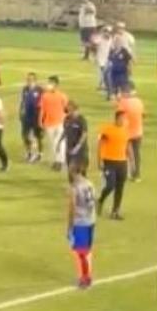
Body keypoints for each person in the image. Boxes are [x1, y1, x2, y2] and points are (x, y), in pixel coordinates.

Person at [68, 160, 98, 289]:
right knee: (86, 250)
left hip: (81, 223)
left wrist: (70, 226)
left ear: (74, 172)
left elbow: (72, 208)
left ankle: (86, 278)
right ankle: (87, 275)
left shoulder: (75, 187)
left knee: (82, 253)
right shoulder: (90, 184)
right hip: (91, 220)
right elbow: (95, 201)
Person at [96, 110, 130, 219]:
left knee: (120, 187)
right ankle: (100, 200)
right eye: (121, 118)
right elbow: (100, 145)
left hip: (122, 162)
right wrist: (99, 160)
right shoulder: (107, 129)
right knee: (110, 185)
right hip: (109, 162)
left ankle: (115, 211)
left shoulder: (126, 130)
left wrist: (131, 162)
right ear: (116, 118)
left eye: (124, 119)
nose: (123, 120)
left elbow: (128, 145)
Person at [38, 75, 68, 171]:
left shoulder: (62, 96)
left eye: (50, 83)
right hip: (48, 123)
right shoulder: (45, 96)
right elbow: (42, 109)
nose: (48, 85)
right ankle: (57, 160)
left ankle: (60, 161)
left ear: (56, 84)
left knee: (60, 142)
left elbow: (67, 109)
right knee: (53, 143)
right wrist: (40, 121)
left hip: (60, 122)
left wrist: (67, 121)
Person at [116, 84, 146, 180]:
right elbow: (143, 115)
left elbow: (119, 117)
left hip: (126, 133)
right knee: (136, 154)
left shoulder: (123, 102)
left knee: (124, 154)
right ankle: (136, 175)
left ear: (125, 92)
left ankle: (124, 173)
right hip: (138, 132)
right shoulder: (139, 101)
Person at [20, 73, 44, 163]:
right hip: (26, 117)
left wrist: (42, 118)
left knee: (38, 137)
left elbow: (43, 104)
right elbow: (23, 101)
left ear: (35, 80)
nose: (28, 81)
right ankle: (29, 152)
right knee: (25, 136)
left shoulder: (40, 90)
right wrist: (21, 112)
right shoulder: (25, 89)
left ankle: (39, 154)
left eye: (30, 79)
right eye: (27, 79)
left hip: (36, 116)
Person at [62, 101, 89, 175]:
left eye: (69, 111)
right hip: (69, 149)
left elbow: (84, 134)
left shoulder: (81, 120)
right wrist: (59, 142)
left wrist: (77, 147)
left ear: (74, 110)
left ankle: (84, 184)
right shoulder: (66, 119)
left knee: (80, 171)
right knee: (70, 170)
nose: (67, 112)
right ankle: (73, 185)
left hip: (80, 151)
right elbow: (65, 131)